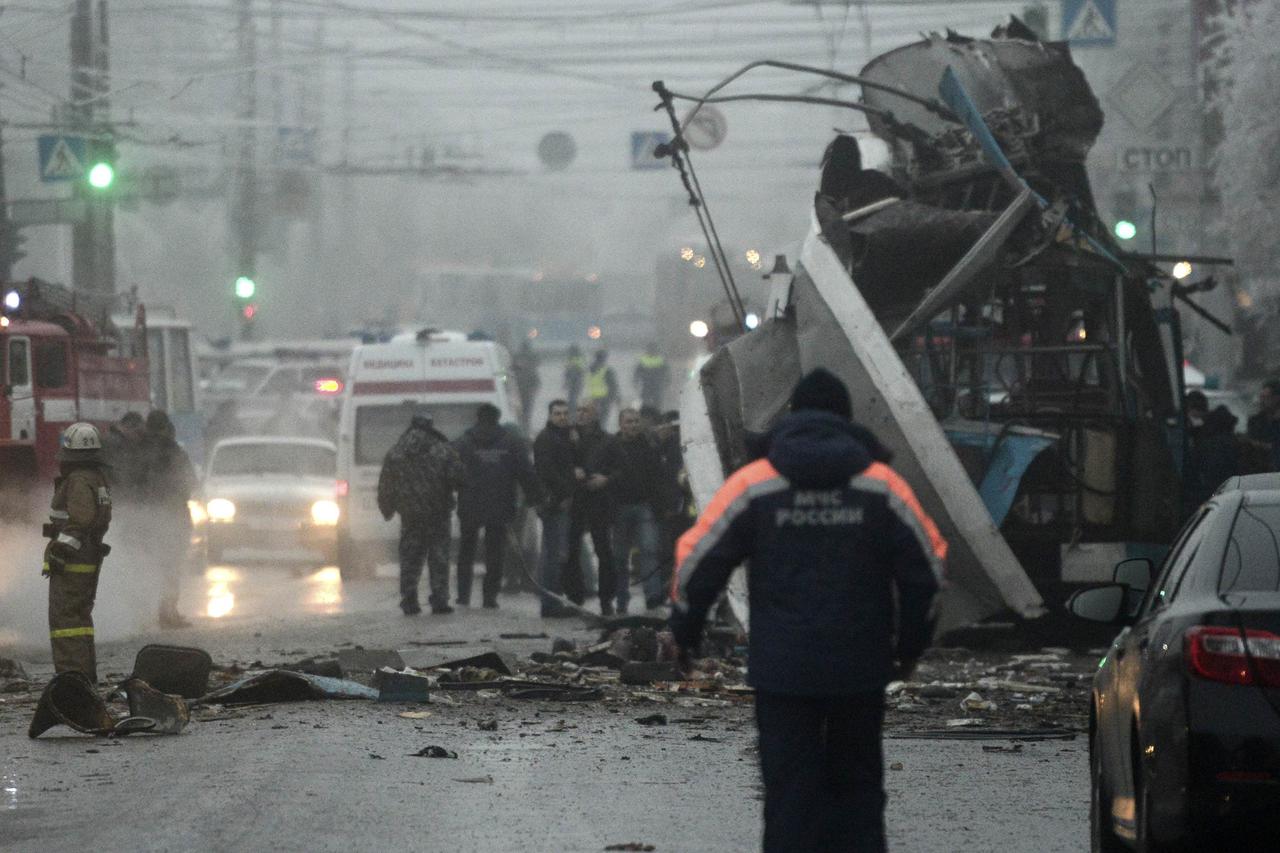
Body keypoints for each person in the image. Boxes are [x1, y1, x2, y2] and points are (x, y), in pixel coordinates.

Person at [669, 368, 945, 853]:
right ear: (846, 418)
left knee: (789, 795)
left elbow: (700, 562)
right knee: (858, 791)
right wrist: (910, 647)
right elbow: (927, 569)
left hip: (783, 670)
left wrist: (685, 633)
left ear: (791, 416)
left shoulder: (755, 484)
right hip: (859, 666)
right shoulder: (881, 485)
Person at [42, 423, 114, 683]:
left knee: (65, 621)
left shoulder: (78, 480)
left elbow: (81, 520)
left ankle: (71, 679)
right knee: (80, 618)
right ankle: (84, 675)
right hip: (88, 557)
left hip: (73, 561)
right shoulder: (96, 478)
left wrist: (60, 550)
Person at [454, 403, 543, 608]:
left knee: (466, 551)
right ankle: (489, 597)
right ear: (497, 418)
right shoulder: (511, 443)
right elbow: (526, 473)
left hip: (470, 505)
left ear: (478, 418)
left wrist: (455, 490)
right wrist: (535, 498)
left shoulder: (463, 443)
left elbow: (449, 470)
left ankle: (463, 595)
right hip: (500, 505)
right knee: (495, 553)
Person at [377, 412, 465, 615]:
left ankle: (409, 600)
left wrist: (387, 509)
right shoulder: (443, 450)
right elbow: (458, 478)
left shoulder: (397, 452)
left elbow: (386, 485)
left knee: (410, 558)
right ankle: (439, 600)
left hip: (410, 515)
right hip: (439, 514)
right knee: (439, 557)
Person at [594, 408, 669, 613]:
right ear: (621, 424)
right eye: (629, 421)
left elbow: (658, 477)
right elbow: (600, 469)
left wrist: (661, 506)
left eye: (636, 421)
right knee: (620, 558)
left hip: (644, 506)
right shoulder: (611, 446)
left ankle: (653, 599)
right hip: (619, 507)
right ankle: (621, 601)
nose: (633, 425)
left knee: (649, 552)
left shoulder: (649, 446)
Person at [137, 410, 197, 629]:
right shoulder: (174, 451)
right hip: (172, 516)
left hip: (142, 516)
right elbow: (189, 483)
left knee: (143, 565)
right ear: (165, 427)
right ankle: (168, 613)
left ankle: (141, 614)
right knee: (171, 566)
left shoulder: (136, 450)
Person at [565, 400, 615, 613]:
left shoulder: (607, 440)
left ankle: (606, 599)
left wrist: (606, 479)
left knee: (603, 550)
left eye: (585, 410)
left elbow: (620, 468)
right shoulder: (568, 437)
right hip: (576, 500)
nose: (580, 413)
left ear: (595, 415)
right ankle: (575, 596)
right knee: (572, 549)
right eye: (578, 409)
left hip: (599, 501)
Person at [532, 399, 578, 618]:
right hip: (554, 505)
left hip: (557, 502)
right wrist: (565, 494)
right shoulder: (546, 439)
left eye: (564, 413)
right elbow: (547, 471)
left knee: (554, 554)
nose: (562, 417)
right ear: (550, 415)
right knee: (553, 555)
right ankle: (550, 604)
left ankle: (551, 601)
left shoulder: (563, 437)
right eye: (557, 413)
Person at [102, 411, 145, 502]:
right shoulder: (115, 444)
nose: (140, 438)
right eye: (138, 433)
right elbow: (113, 474)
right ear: (126, 428)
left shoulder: (114, 441)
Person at [1247, 379, 1280, 471]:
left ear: (1277, 398)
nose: (1261, 401)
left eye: (1266, 397)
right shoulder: (1255, 421)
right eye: (1261, 397)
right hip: (1259, 472)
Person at [511, 340, 541, 434]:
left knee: (520, 409)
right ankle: (526, 427)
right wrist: (536, 386)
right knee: (527, 409)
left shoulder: (516, 356)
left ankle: (521, 426)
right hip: (528, 388)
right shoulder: (531, 357)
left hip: (519, 388)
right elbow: (536, 369)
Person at [632, 342, 671, 411]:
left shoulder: (643, 360)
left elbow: (637, 372)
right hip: (656, 385)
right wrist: (667, 381)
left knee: (645, 402)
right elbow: (666, 372)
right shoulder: (661, 360)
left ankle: (645, 415)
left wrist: (635, 381)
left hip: (647, 385)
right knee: (657, 402)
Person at [585, 350, 619, 425]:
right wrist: (616, 398)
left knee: (593, 420)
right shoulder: (607, 370)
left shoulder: (589, 369)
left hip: (592, 398)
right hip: (604, 399)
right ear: (604, 358)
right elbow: (613, 386)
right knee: (603, 420)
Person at [563, 344, 586, 410]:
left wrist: (566, 381)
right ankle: (573, 407)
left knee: (572, 395)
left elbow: (567, 370)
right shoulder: (580, 357)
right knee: (574, 395)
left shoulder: (571, 358)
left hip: (574, 379)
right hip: (577, 380)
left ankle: (572, 408)